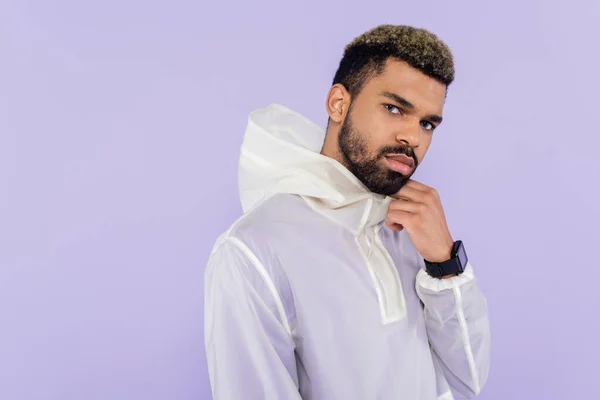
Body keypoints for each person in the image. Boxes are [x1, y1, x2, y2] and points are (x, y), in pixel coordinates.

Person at [204, 24, 491, 400]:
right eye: (394, 108)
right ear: (339, 103)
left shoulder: (415, 226)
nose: (414, 137)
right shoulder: (253, 251)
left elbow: (468, 380)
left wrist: (444, 265)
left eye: (427, 123)